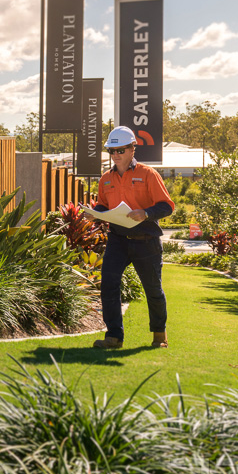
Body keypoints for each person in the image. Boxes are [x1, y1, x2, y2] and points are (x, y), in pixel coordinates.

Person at [89, 126, 174, 349]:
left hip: (146, 240)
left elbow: (167, 206)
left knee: (153, 289)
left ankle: (159, 336)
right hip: (117, 239)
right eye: (112, 150)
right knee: (108, 285)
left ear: (132, 149)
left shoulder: (148, 174)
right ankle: (114, 337)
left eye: (120, 150)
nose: (116, 155)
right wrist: (95, 213)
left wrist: (145, 213)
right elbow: (103, 205)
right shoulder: (105, 179)